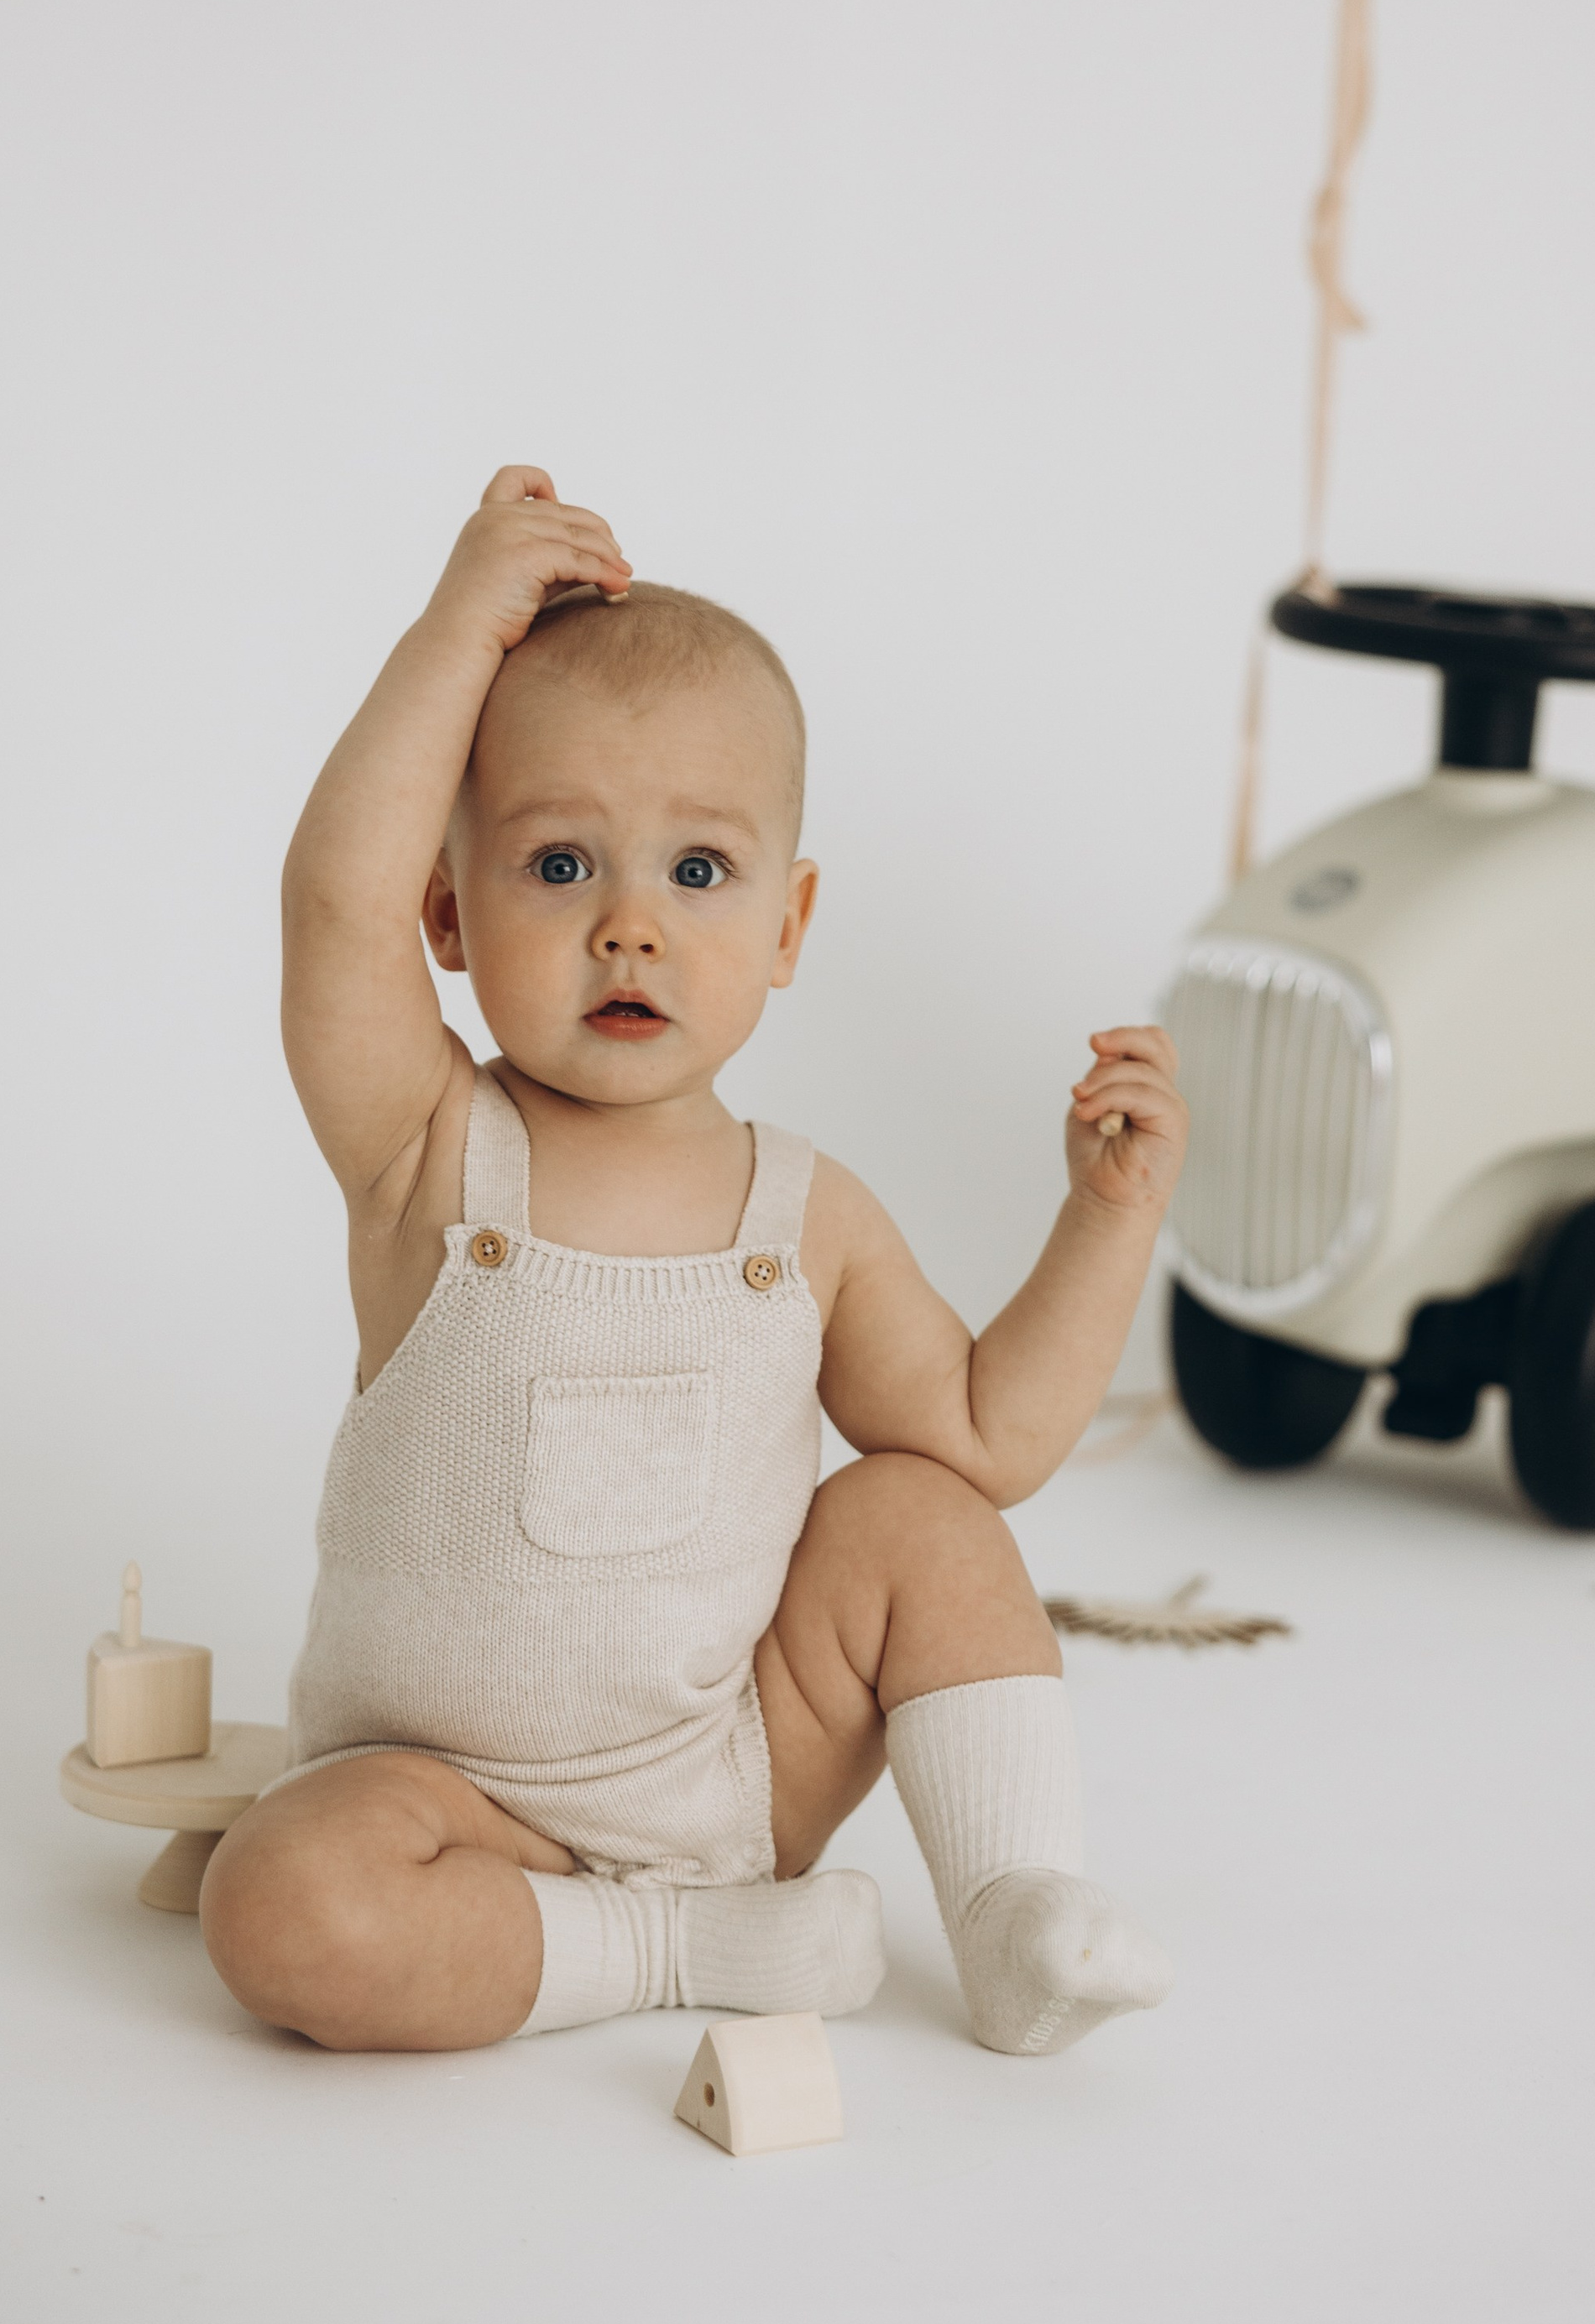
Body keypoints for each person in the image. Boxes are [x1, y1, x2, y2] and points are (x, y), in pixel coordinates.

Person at [201, 468, 1184, 2058]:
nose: (630, 929)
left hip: (736, 1768)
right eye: (560, 865)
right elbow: (330, 906)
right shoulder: (430, 1154)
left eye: (699, 873)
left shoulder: (809, 1215)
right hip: (447, 1812)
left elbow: (991, 1436)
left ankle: (1014, 1911)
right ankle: (682, 1949)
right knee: (284, 1909)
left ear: (790, 928)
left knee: (919, 1517)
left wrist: (1110, 1220)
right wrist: (460, 626)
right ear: (446, 912)